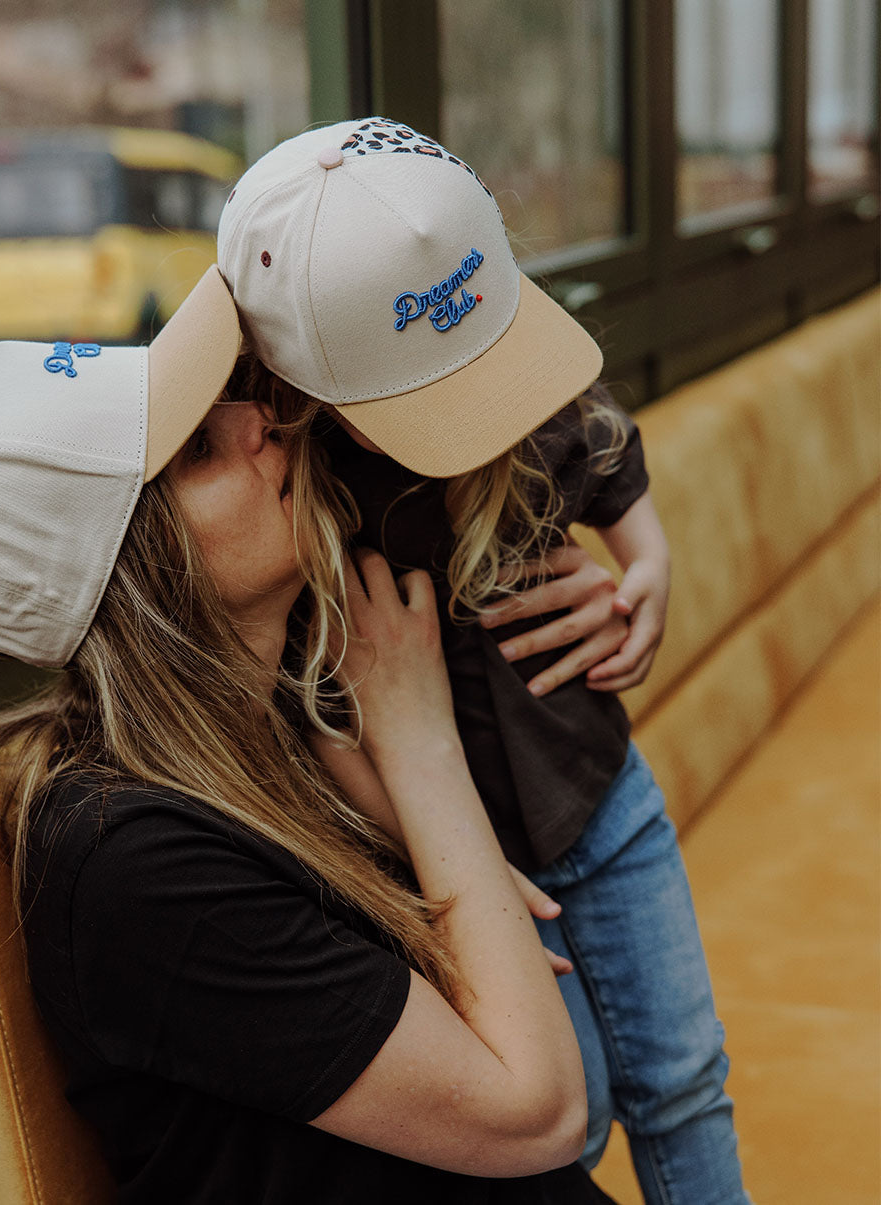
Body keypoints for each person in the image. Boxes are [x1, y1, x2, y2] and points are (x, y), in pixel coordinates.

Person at [0, 265, 619, 1204]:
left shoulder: (259, 725)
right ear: (140, 570)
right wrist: (417, 738)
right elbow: (542, 1114)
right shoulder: (133, 862)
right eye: (203, 446)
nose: (263, 421)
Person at [215, 117, 752, 1205]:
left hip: (605, 800)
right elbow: (309, 708)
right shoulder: (290, 503)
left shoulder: (546, 406)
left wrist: (647, 580)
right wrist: (443, 863)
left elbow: (620, 483)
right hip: (455, 863)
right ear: (306, 392)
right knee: (576, 1110)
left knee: (685, 1078)